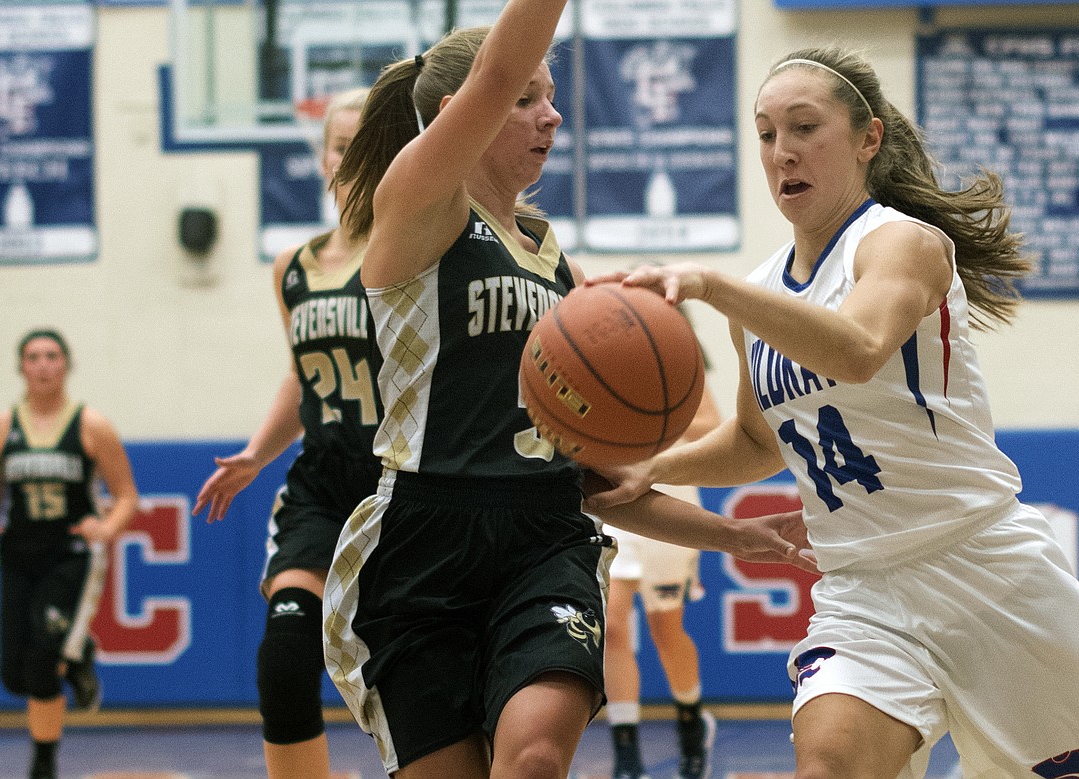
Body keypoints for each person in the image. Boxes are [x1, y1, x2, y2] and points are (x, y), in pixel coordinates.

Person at [586, 45, 1079, 778]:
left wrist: (712, 286)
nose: (782, 153)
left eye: (804, 128)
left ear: (869, 138)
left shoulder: (902, 243)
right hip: (863, 592)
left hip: (989, 575)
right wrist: (653, 464)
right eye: (767, 133)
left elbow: (861, 347)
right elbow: (754, 440)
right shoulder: (764, 286)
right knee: (829, 761)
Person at [319, 5, 816, 777]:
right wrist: (513, 62)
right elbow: (493, 69)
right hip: (420, 540)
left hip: (544, 540)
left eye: (552, 96)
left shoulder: (553, 262)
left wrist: (738, 537)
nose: (551, 114)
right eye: (526, 97)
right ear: (458, 117)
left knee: (537, 754)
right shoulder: (417, 203)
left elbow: (594, 480)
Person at [192, 87, 382, 779]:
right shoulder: (293, 268)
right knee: (285, 654)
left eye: (369, 143)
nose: (353, 156)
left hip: (408, 483)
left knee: (420, 681)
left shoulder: (416, 251)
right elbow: (305, 377)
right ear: (324, 158)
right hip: (324, 483)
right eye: (341, 145)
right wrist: (253, 453)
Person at [0, 329, 139, 779]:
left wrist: (106, 527)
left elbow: (126, 496)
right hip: (18, 552)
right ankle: (79, 652)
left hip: (69, 554)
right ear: (20, 366)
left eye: (52, 356)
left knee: (43, 661)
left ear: (67, 364)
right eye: (33, 357)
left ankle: (43, 763)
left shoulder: (91, 425)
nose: (43, 364)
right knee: (13, 675)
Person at [604, 382, 721, 779]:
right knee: (614, 625)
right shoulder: (596, 348)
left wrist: (649, 416)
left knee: (665, 629)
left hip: (670, 500)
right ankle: (625, 750)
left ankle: (691, 720)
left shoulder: (674, 348)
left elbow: (712, 426)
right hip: (612, 502)